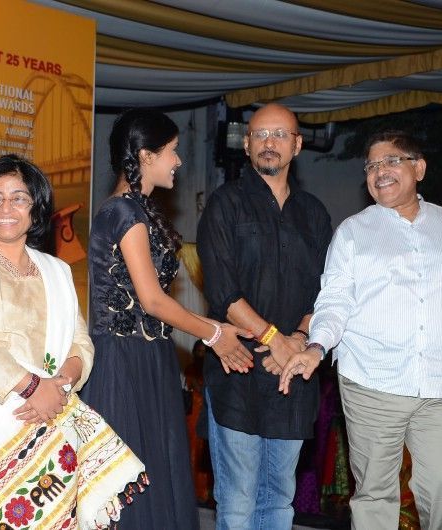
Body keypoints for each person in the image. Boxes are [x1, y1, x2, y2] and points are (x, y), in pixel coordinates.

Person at [0, 155, 146, 529]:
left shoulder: (56, 270)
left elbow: (80, 341)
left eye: (18, 198)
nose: (5, 209)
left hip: (49, 411)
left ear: (36, 208)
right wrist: (31, 388)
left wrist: (61, 384)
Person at [280, 129, 442, 530]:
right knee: (375, 493)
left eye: (392, 161)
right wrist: (316, 346)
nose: (380, 172)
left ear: (419, 168)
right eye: (372, 166)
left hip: (441, 382)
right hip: (371, 380)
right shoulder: (353, 232)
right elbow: (335, 301)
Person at [81, 108, 252, 529]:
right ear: (145, 155)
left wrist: (216, 331)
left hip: (148, 357)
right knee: (129, 486)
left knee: (152, 477)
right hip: (122, 363)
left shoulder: (133, 211)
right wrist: (214, 334)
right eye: (172, 150)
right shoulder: (124, 213)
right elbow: (154, 301)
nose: (178, 160)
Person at [197, 102, 333, 530]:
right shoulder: (225, 204)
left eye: (279, 135)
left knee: (278, 500)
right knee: (238, 501)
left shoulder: (315, 214)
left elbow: (329, 291)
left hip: (294, 374)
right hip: (238, 371)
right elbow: (223, 294)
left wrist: (297, 340)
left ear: (297, 145)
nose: (269, 143)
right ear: (247, 145)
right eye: (260, 134)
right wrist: (276, 340)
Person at [185, 339, 214, 504]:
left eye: (204, 351)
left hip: (209, 413)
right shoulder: (191, 369)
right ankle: (195, 490)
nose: (201, 354)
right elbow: (196, 387)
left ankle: (206, 491)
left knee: (207, 453)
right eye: (199, 351)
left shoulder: (210, 369)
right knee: (194, 452)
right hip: (193, 415)